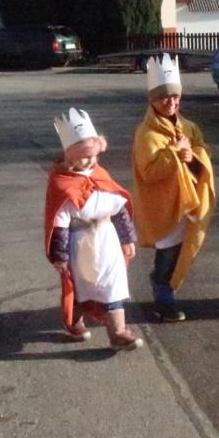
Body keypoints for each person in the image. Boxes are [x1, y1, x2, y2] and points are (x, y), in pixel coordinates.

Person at [44, 107, 145, 350]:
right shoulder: (62, 183)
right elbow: (59, 222)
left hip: (107, 240)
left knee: (113, 286)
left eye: (93, 155)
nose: (90, 161)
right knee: (82, 288)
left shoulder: (100, 174)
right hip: (81, 245)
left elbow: (118, 208)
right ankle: (74, 320)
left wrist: (127, 238)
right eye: (84, 156)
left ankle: (118, 332)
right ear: (70, 157)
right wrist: (60, 256)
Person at [131, 54, 216, 322]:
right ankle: (163, 298)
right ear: (152, 100)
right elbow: (149, 173)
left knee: (181, 251)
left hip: (187, 203)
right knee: (167, 255)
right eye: (164, 97)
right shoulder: (146, 134)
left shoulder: (189, 127)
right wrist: (174, 154)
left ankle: (164, 287)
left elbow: (204, 152)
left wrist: (194, 157)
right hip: (164, 207)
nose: (170, 102)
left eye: (175, 97)